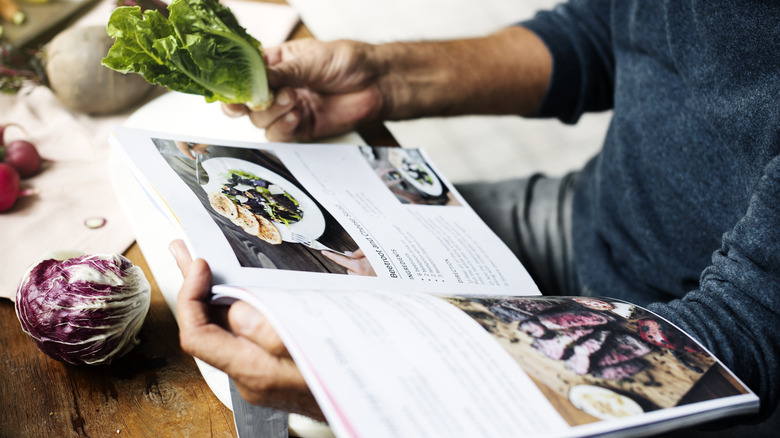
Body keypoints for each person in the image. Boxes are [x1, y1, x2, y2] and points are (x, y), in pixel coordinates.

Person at [173, 0, 780, 431]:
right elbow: (609, 34)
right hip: (589, 216)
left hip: (705, 350)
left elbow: (749, 327)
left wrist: (377, 381)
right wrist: (379, 79)